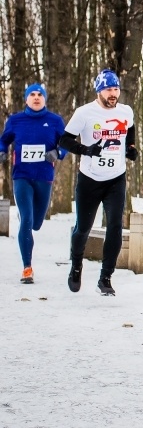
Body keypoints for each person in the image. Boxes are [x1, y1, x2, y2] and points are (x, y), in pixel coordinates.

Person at [59, 69, 137, 296]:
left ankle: (106, 277)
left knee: (115, 226)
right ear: (98, 91)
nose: (113, 94)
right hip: (89, 179)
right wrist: (85, 150)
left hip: (116, 178)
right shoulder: (84, 113)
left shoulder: (126, 111)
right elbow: (64, 140)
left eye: (116, 89)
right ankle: (76, 265)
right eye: (108, 90)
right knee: (83, 228)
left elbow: (129, 129)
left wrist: (130, 148)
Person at [0, 83, 66, 283]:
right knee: (27, 220)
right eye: (32, 95)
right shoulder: (15, 120)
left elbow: (65, 143)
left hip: (44, 177)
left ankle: (28, 216)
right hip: (22, 176)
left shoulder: (54, 121)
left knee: (36, 223)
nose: (36, 97)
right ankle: (27, 268)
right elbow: (3, 140)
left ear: (44, 99)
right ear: (26, 99)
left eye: (40, 95)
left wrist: (58, 153)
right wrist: (2, 151)